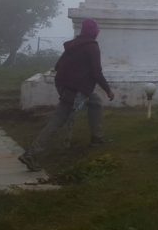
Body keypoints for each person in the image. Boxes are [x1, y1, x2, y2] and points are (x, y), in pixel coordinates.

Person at [19, 19, 114, 171]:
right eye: (97, 29)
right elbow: (96, 72)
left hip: (65, 85)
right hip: (75, 89)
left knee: (95, 102)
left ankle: (97, 137)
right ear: (94, 31)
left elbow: (58, 66)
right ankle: (31, 153)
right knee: (58, 120)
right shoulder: (91, 47)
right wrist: (108, 89)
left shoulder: (73, 45)